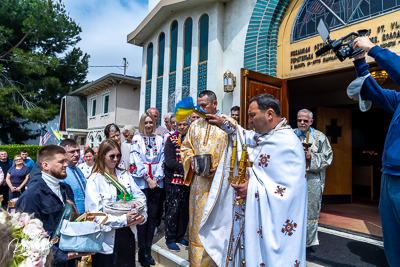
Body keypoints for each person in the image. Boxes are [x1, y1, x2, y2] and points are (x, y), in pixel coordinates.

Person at [206, 93, 307, 266]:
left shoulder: (288, 143)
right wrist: (224, 123)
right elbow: (243, 135)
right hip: (253, 214)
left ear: (269, 114)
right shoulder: (264, 136)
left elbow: (290, 193)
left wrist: (251, 189)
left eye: (252, 115)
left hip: (276, 224)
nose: (250, 121)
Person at [351, 36, 400, 266]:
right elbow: (372, 91)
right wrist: (360, 61)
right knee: (393, 240)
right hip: (389, 176)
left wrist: (373, 49)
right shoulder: (399, 100)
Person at [15, 145, 94, 267]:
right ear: (45, 165)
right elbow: (27, 241)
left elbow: (67, 224)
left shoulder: (66, 189)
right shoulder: (31, 197)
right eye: (61, 162)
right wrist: (66, 255)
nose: (66, 165)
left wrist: (83, 220)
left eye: (65, 161)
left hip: (69, 261)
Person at [180, 90, 231, 266]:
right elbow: (185, 148)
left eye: (204, 105)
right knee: (198, 228)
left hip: (221, 187)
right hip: (199, 188)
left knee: (216, 229)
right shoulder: (194, 126)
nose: (200, 109)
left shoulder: (228, 124)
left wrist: (220, 169)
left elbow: (236, 153)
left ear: (215, 104)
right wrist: (191, 163)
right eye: (198, 105)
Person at [85, 139, 147, 267]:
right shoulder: (94, 180)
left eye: (118, 156)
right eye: (112, 156)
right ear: (102, 156)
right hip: (106, 239)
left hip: (128, 234)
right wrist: (124, 220)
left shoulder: (125, 175)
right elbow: (97, 215)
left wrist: (142, 217)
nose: (116, 159)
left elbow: (140, 198)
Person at [294, 109, 333, 254]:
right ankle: (291, 239)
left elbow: (328, 157)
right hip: (293, 179)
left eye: (305, 120)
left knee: (310, 211)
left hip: (312, 180)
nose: (302, 123)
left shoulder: (320, 137)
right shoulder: (290, 135)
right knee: (292, 209)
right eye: (299, 120)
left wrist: (311, 157)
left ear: (311, 121)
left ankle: (307, 244)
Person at [130, 112, 165, 267]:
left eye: (151, 122)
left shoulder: (160, 139)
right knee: (142, 217)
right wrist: (148, 178)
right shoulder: (136, 139)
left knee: (152, 218)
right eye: (146, 123)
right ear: (142, 124)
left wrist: (156, 179)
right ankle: (142, 250)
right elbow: (135, 161)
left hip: (156, 183)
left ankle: (148, 250)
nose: (149, 125)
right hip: (142, 183)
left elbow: (162, 160)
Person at [164, 118, 190, 252]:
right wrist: (188, 168)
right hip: (174, 182)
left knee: (184, 212)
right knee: (172, 211)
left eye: (185, 124)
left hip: (187, 182)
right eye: (179, 124)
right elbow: (169, 161)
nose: (182, 127)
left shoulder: (191, 139)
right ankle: (170, 239)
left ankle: (180, 236)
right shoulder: (171, 139)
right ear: (175, 125)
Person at [60, 139, 87, 214]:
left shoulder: (78, 169)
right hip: (72, 217)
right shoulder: (61, 173)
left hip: (85, 215)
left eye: (78, 151)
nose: (76, 154)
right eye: (72, 152)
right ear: (63, 153)